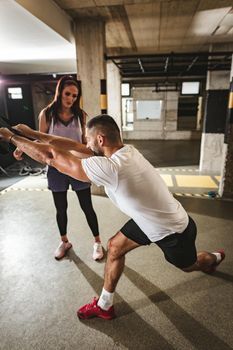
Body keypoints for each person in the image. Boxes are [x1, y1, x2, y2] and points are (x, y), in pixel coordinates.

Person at [0, 114, 225, 320]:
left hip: (173, 231)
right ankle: (105, 305)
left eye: (89, 140)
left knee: (190, 264)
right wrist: (31, 134)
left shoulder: (112, 168)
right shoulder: (126, 151)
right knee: (114, 247)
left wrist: (10, 138)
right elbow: (73, 146)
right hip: (150, 219)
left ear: (100, 139)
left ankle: (211, 259)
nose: (85, 145)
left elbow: (51, 156)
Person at [13, 76, 103, 261]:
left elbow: (85, 142)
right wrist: (21, 146)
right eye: (67, 94)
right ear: (60, 92)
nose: (70, 99)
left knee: (87, 207)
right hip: (55, 168)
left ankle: (97, 243)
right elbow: (40, 139)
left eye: (75, 96)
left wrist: (98, 150)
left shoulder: (81, 115)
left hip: (77, 166)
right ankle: (64, 241)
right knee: (61, 208)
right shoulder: (47, 114)